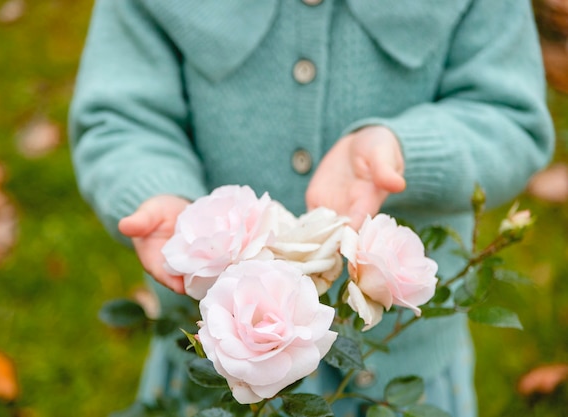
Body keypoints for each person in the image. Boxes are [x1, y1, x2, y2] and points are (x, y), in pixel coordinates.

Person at [69, 0, 554, 416]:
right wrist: (159, 191)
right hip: (213, 366)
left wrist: (406, 149)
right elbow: (123, 116)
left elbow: (509, 115)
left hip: (404, 366)